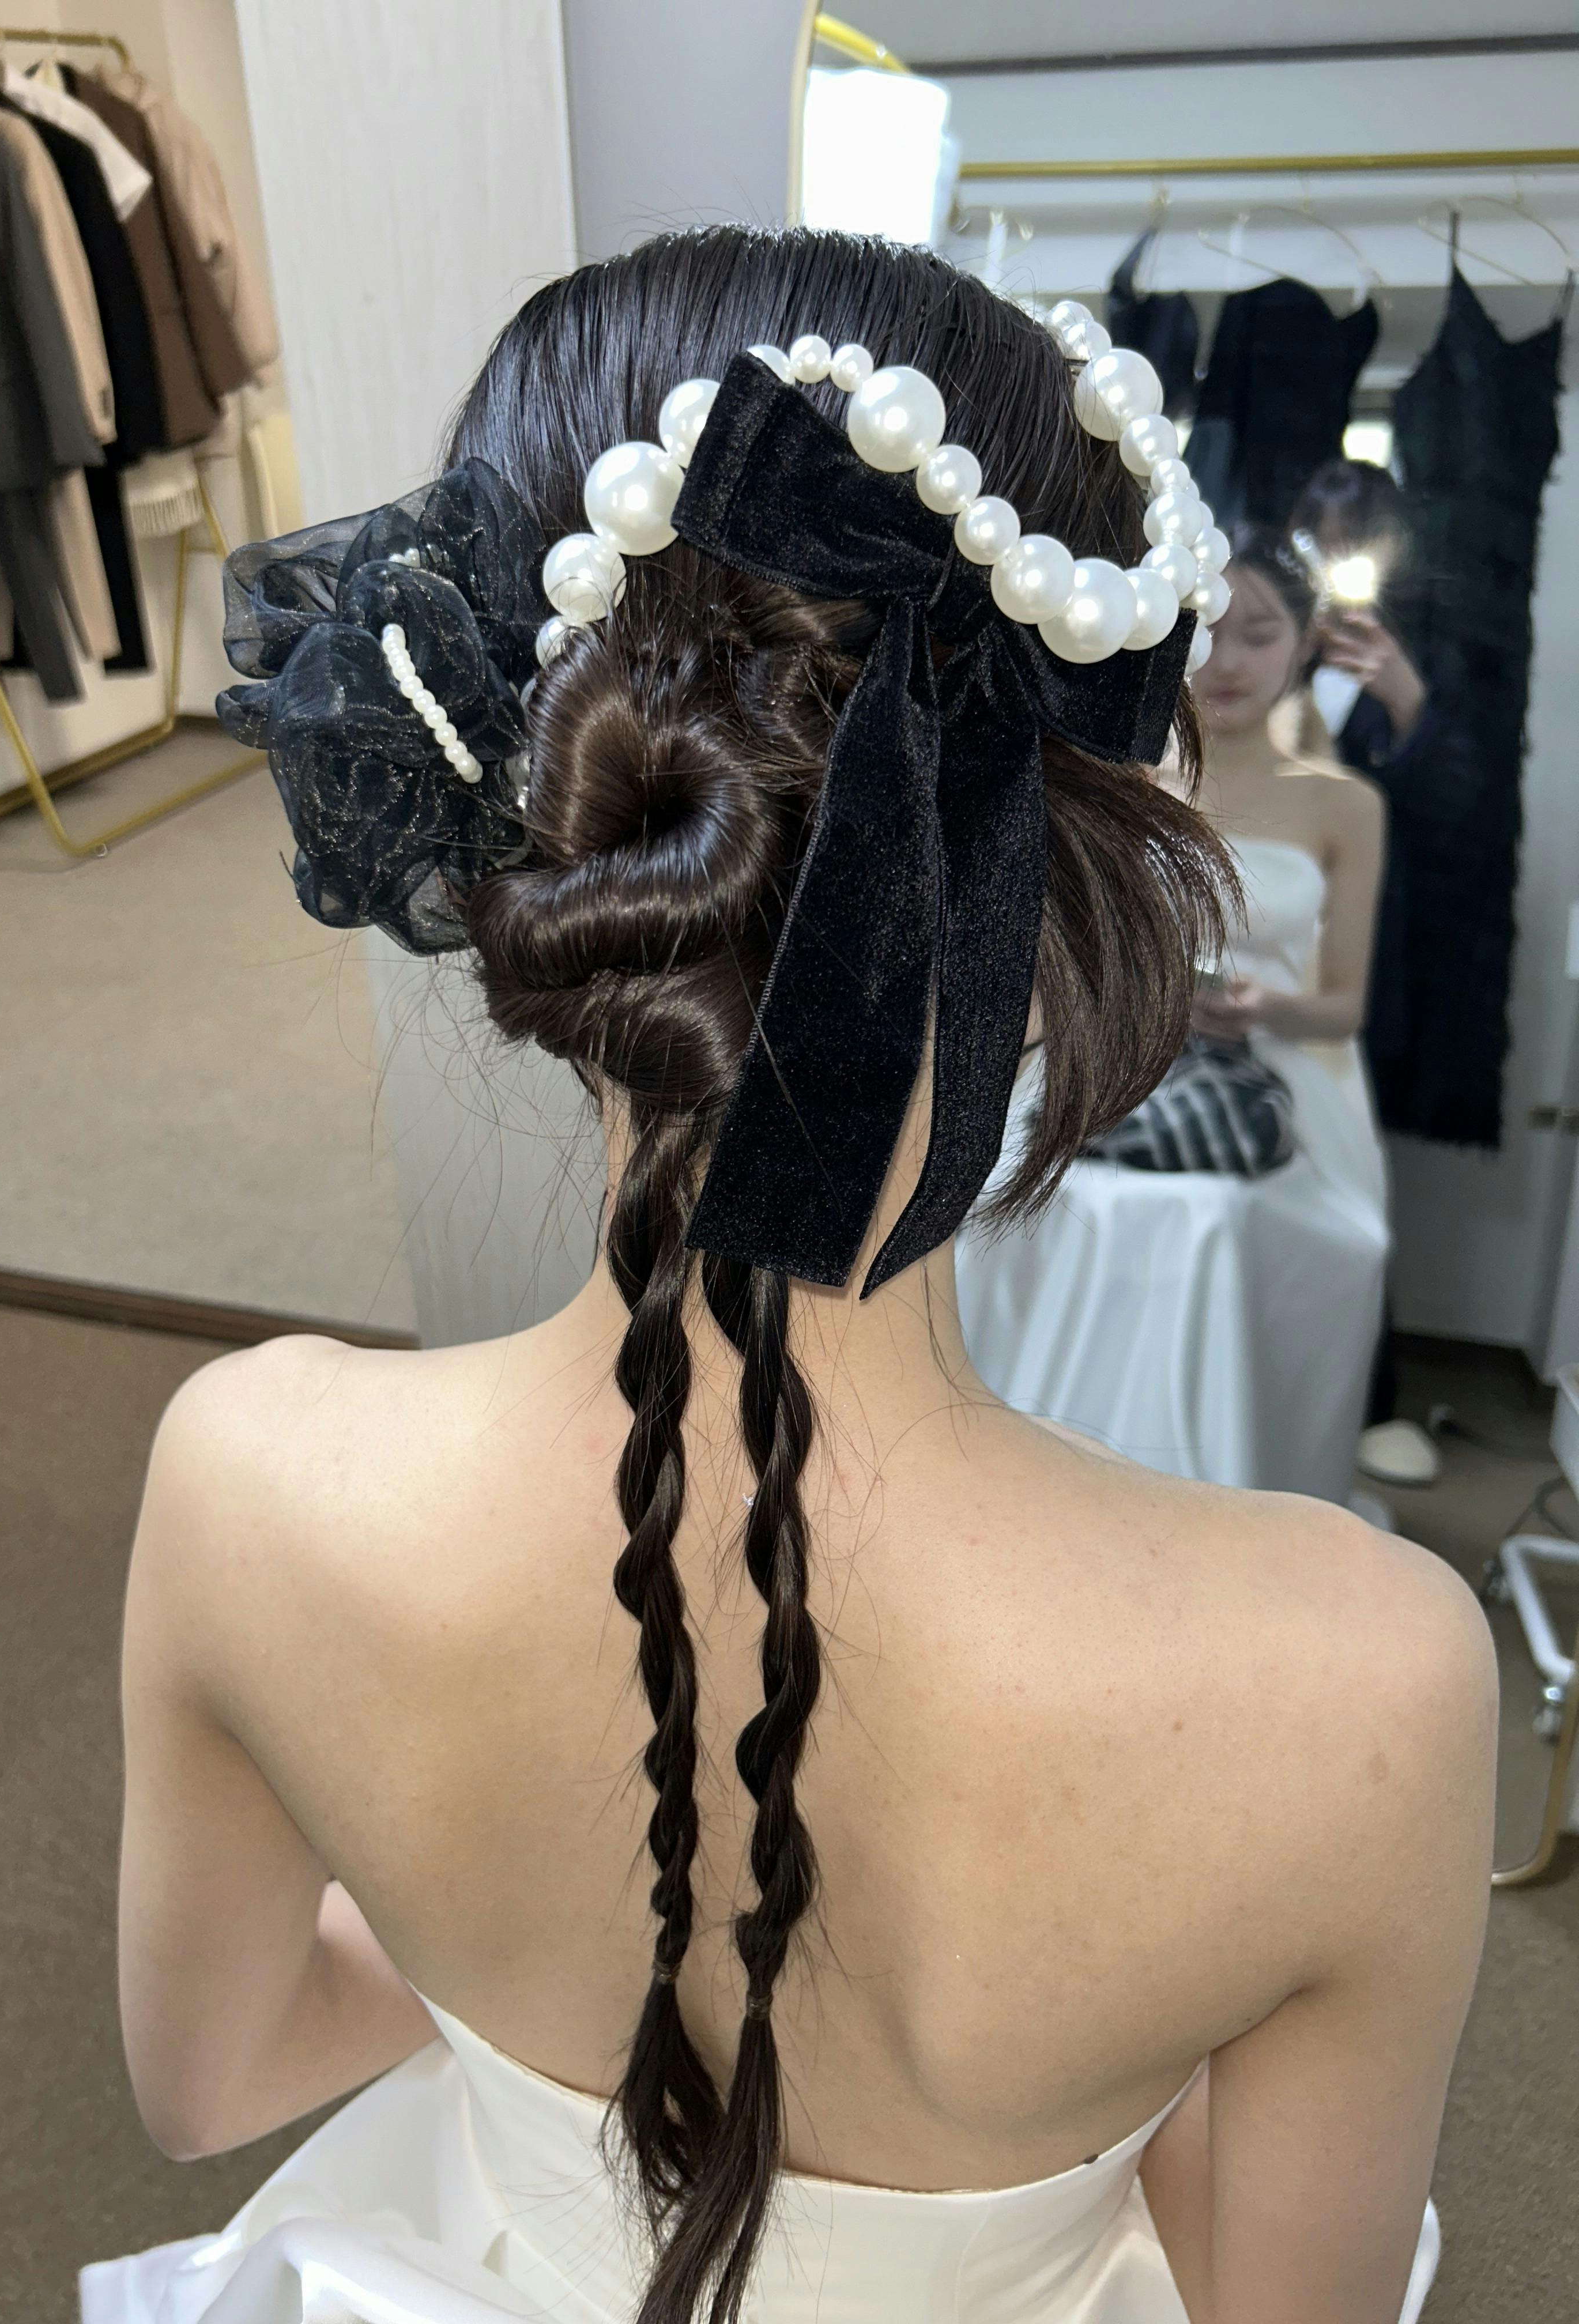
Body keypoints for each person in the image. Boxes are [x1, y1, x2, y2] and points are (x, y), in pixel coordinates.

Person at [84, 232, 1494, 2324]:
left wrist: (474, 1926)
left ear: (540, 840)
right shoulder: (1359, 1688)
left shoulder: (244, 1475)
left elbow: (206, 2076)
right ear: (1079, 896)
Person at [956, 527, 1393, 1508]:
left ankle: (1209, 1492)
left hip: (1277, 1070)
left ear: (1306, 643)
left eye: (1261, 635)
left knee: (1211, 1224)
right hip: (1120, 1052)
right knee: (1007, 1188)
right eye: (1209, 631)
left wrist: (1266, 1009)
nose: (1229, 661)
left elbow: (1347, 1004)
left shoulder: (1345, 806)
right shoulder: (1121, 773)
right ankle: (1022, 1483)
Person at [1287, 459, 1448, 1491]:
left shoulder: (1418, 655)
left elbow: (1445, 828)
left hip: (1361, 962)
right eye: (1320, 539)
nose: (1338, 560)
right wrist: (1283, 658)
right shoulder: (1263, 640)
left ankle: (1366, 1395)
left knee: (1351, 1175)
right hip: (1259, 943)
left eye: (1358, 541)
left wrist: (1410, 703)